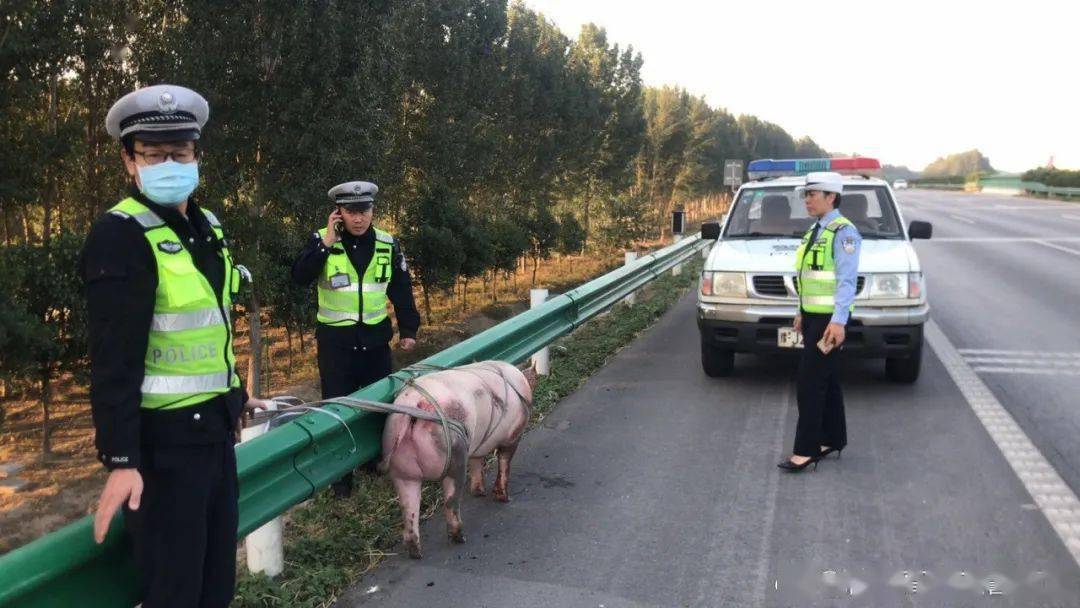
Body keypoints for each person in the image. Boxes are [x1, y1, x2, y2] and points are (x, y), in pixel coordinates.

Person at [82, 84, 269, 606]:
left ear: (196, 155)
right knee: (176, 594)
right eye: (154, 154)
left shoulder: (206, 226)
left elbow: (211, 328)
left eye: (180, 153)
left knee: (215, 589)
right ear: (129, 162)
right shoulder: (119, 235)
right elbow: (113, 360)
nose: (169, 162)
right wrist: (121, 459)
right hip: (163, 454)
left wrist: (234, 393)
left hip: (215, 436)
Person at [291, 181, 420, 496]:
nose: (359, 218)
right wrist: (325, 243)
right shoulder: (322, 242)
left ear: (373, 210)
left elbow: (401, 287)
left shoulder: (388, 244)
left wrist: (408, 329)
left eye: (364, 210)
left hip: (375, 342)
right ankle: (341, 478)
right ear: (339, 213)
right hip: (337, 345)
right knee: (337, 409)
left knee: (377, 406)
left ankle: (372, 462)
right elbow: (299, 276)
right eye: (351, 211)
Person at [779, 171, 862, 473]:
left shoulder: (844, 233)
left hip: (830, 322)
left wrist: (839, 322)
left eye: (813, 194)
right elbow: (808, 277)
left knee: (810, 383)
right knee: (828, 380)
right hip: (815, 317)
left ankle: (806, 450)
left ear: (831, 197)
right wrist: (801, 310)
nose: (807, 200)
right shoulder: (816, 230)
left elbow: (846, 281)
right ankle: (833, 439)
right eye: (806, 194)